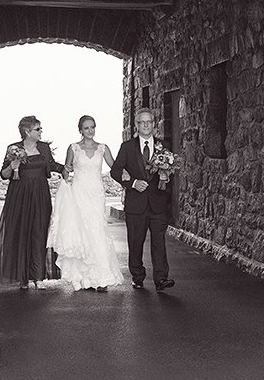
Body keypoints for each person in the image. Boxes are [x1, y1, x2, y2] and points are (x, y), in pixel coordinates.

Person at [0, 116, 66, 289]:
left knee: (39, 232)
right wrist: (12, 165)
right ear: (27, 132)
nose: (41, 132)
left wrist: (67, 168)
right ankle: (22, 277)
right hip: (19, 196)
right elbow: (4, 174)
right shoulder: (13, 149)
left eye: (40, 129)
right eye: (37, 129)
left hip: (40, 194)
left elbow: (51, 165)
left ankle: (37, 277)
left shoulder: (43, 148)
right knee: (20, 233)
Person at [49, 116, 124, 292]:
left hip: (96, 194)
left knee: (97, 230)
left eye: (92, 127)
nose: (90, 131)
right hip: (79, 193)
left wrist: (128, 176)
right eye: (86, 128)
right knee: (81, 231)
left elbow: (115, 167)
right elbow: (66, 172)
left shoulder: (102, 148)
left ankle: (102, 277)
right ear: (80, 130)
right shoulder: (73, 148)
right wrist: (66, 171)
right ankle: (83, 276)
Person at [110, 108, 175, 291]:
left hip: (157, 203)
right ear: (137, 125)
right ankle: (137, 276)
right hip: (135, 204)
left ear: (154, 124)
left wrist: (166, 178)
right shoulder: (127, 147)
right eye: (142, 122)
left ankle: (161, 279)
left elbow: (171, 171)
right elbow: (116, 171)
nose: (146, 125)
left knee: (159, 243)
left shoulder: (164, 146)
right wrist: (132, 183)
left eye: (149, 122)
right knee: (135, 242)